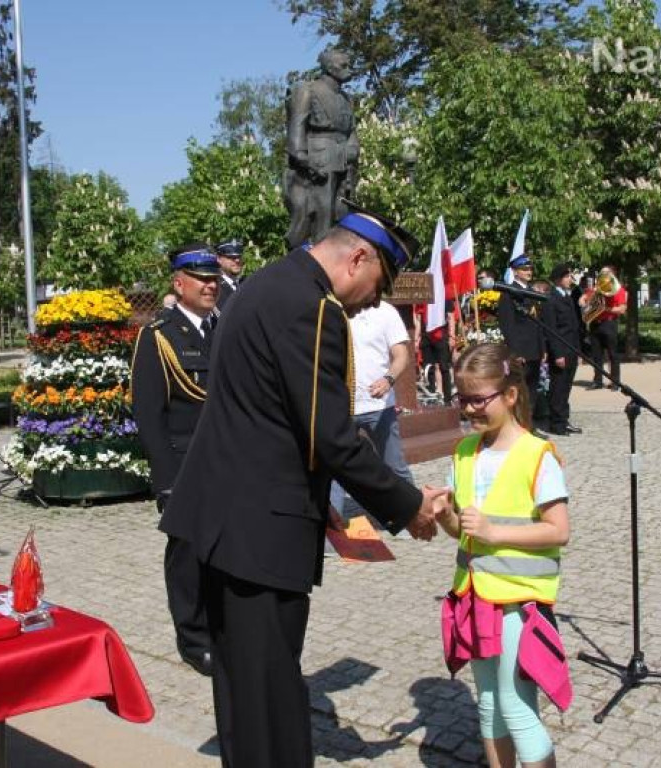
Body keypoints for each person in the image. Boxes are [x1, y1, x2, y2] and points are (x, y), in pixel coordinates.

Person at [160, 202, 448, 768]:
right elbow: (331, 436)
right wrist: (408, 504)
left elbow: (269, 419)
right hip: (262, 535)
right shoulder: (311, 308)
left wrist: (320, 501)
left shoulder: (265, 284)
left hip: (225, 523)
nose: (372, 300)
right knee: (271, 700)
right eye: (377, 284)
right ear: (357, 257)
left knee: (243, 692)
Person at [434, 342, 570, 768]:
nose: (470, 409)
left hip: (518, 602)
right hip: (475, 596)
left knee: (516, 707)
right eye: (463, 399)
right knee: (489, 706)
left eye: (480, 399)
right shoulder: (464, 452)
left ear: (510, 395)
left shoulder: (536, 455)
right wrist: (444, 517)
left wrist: (493, 532)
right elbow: (464, 533)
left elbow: (559, 530)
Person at [131, 244, 221, 677]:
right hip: (184, 465)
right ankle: (193, 638)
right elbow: (148, 415)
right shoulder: (159, 336)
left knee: (224, 549)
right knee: (187, 555)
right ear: (178, 283)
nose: (211, 284)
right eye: (201, 278)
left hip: (227, 461)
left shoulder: (226, 327)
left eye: (214, 277)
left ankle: (220, 627)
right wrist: (165, 480)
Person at [329, 301, 414, 519]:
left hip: (378, 405)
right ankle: (333, 530)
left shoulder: (385, 311)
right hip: (340, 405)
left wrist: (389, 378)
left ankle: (409, 517)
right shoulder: (332, 309)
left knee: (393, 465)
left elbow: (401, 354)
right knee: (334, 470)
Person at [283, 48, 359, 248]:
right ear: (329, 67)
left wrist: (353, 150)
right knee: (320, 216)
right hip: (318, 161)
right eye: (344, 66)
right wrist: (302, 157)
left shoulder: (346, 98)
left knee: (342, 214)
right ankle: (316, 260)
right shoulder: (307, 90)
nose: (350, 70)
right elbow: (297, 126)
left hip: (344, 160)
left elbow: (351, 130)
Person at [541, 263, 582, 435]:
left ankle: (564, 420)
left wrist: (578, 351)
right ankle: (556, 424)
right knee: (558, 388)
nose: (570, 280)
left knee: (566, 388)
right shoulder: (551, 299)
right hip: (560, 351)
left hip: (571, 349)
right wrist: (557, 354)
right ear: (558, 279)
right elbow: (551, 329)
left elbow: (574, 326)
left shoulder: (567, 296)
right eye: (567, 277)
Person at [497, 254, 545, 399]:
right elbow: (507, 325)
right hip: (521, 351)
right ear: (515, 271)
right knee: (519, 391)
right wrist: (515, 352)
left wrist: (542, 348)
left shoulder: (532, 292)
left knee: (532, 390)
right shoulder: (509, 293)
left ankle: (529, 420)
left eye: (530, 269)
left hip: (534, 350)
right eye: (524, 269)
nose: (529, 272)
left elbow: (538, 323)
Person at [580, 266, 627, 389]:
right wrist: (584, 301)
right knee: (596, 354)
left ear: (612, 275)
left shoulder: (618, 290)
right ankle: (597, 381)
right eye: (601, 273)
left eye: (606, 273)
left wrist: (605, 309)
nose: (603, 275)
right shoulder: (596, 289)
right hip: (595, 323)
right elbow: (582, 300)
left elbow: (622, 309)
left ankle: (615, 382)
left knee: (613, 354)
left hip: (609, 323)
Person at [214, 239, 245, 312]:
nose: (237, 260)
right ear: (218, 259)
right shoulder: (214, 287)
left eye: (239, 256)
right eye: (231, 257)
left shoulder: (246, 283)